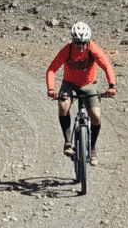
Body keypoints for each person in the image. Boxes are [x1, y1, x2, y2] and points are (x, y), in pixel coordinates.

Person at [45, 21, 116, 166]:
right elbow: (51, 69)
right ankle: (68, 143)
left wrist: (112, 85)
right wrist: (51, 89)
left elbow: (107, 65)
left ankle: (93, 148)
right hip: (69, 85)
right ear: (72, 40)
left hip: (88, 85)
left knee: (96, 116)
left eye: (84, 42)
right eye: (77, 42)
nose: (80, 46)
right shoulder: (67, 50)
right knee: (63, 106)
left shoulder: (93, 49)